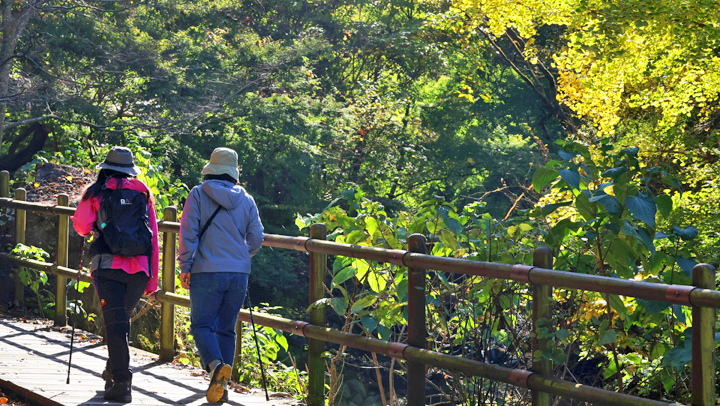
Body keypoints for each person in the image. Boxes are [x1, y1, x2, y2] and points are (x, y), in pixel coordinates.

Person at [71, 146, 159, 403]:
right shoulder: (142, 192)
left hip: (107, 267)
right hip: (140, 270)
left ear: (106, 167)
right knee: (121, 322)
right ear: (130, 169)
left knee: (116, 324)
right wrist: (152, 279)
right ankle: (113, 371)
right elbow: (152, 237)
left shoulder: (96, 192)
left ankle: (122, 382)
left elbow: (81, 227)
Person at [178, 147, 264, 404]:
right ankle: (222, 388)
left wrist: (185, 265)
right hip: (238, 273)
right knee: (226, 329)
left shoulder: (197, 194)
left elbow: (188, 233)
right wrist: (241, 255)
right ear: (233, 172)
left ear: (210, 169)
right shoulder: (246, 199)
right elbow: (257, 237)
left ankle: (216, 367)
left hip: (206, 271)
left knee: (202, 325)